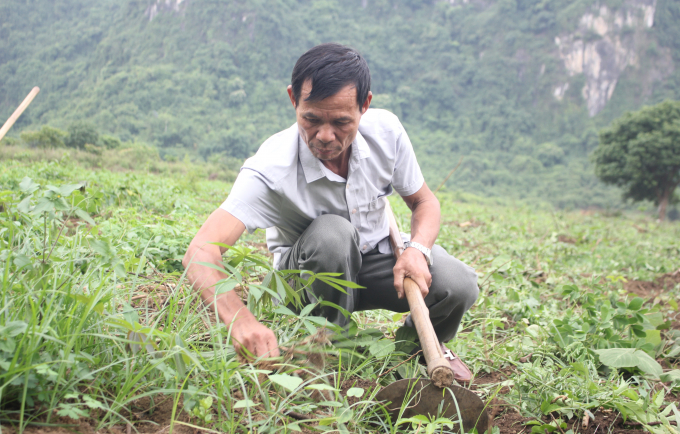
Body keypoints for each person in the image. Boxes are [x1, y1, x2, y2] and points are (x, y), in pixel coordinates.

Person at [182, 43, 479, 382]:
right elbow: (200, 251)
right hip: (307, 281)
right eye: (311, 119)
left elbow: (425, 202)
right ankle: (331, 345)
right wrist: (242, 321)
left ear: (364, 105)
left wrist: (417, 249)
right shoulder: (271, 167)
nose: (324, 136)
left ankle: (415, 352)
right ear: (294, 99)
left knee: (459, 283)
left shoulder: (387, 132)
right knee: (333, 234)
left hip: (377, 262)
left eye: (341, 122)